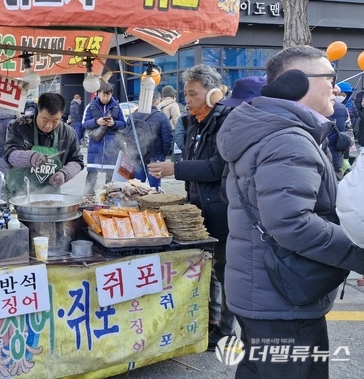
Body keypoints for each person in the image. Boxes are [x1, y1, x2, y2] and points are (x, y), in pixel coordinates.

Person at [216, 46, 364, 377]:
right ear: (298, 83)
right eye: (330, 77)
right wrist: (358, 251)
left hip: (263, 290)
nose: (337, 87)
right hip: (282, 300)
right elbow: (292, 224)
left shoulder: (267, 128)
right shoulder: (287, 139)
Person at [147, 64, 235, 349]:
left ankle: (225, 331)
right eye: (185, 93)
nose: (188, 99)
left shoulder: (226, 121)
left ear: (212, 93)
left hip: (222, 209)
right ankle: (209, 321)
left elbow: (216, 167)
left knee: (224, 270)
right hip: (198, 207)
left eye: (193, 93)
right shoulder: (192, 120)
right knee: (206, 268)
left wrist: (176, 168)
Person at [4, 92, 84, 196]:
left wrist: (64, 174)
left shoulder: (68, 133)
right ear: (38, 111)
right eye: (45, 120)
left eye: (55, 121)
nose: (49, 126)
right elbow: (9, 154)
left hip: (51, 198)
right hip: (18, 195)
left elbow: (77, 160)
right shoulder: (19, 126)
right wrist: (31, 157)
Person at [82, 82, 127, 194]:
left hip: (112, 145)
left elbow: (124, 124)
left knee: (111, 174)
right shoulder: (91, 106)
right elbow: (84, 123)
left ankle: (108, 196)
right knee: (92, 172)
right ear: (98, 93)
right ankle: (87, 195)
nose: (105, 98)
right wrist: (97, 121)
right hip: (95, 144)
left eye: (108, 95)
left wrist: (113, 124)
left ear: (111, 94)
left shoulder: (117, 106)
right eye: (103, 95)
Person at [124, 93, 172, 190]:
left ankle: (138, 203)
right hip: (155, 158)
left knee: (137, 187)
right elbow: (167, 139)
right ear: (155, 101)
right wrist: (162, 155)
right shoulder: (161, 116)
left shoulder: (132, 116)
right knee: (154, 188)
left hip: (137, 157)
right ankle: (154, 204)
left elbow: (126, 136)